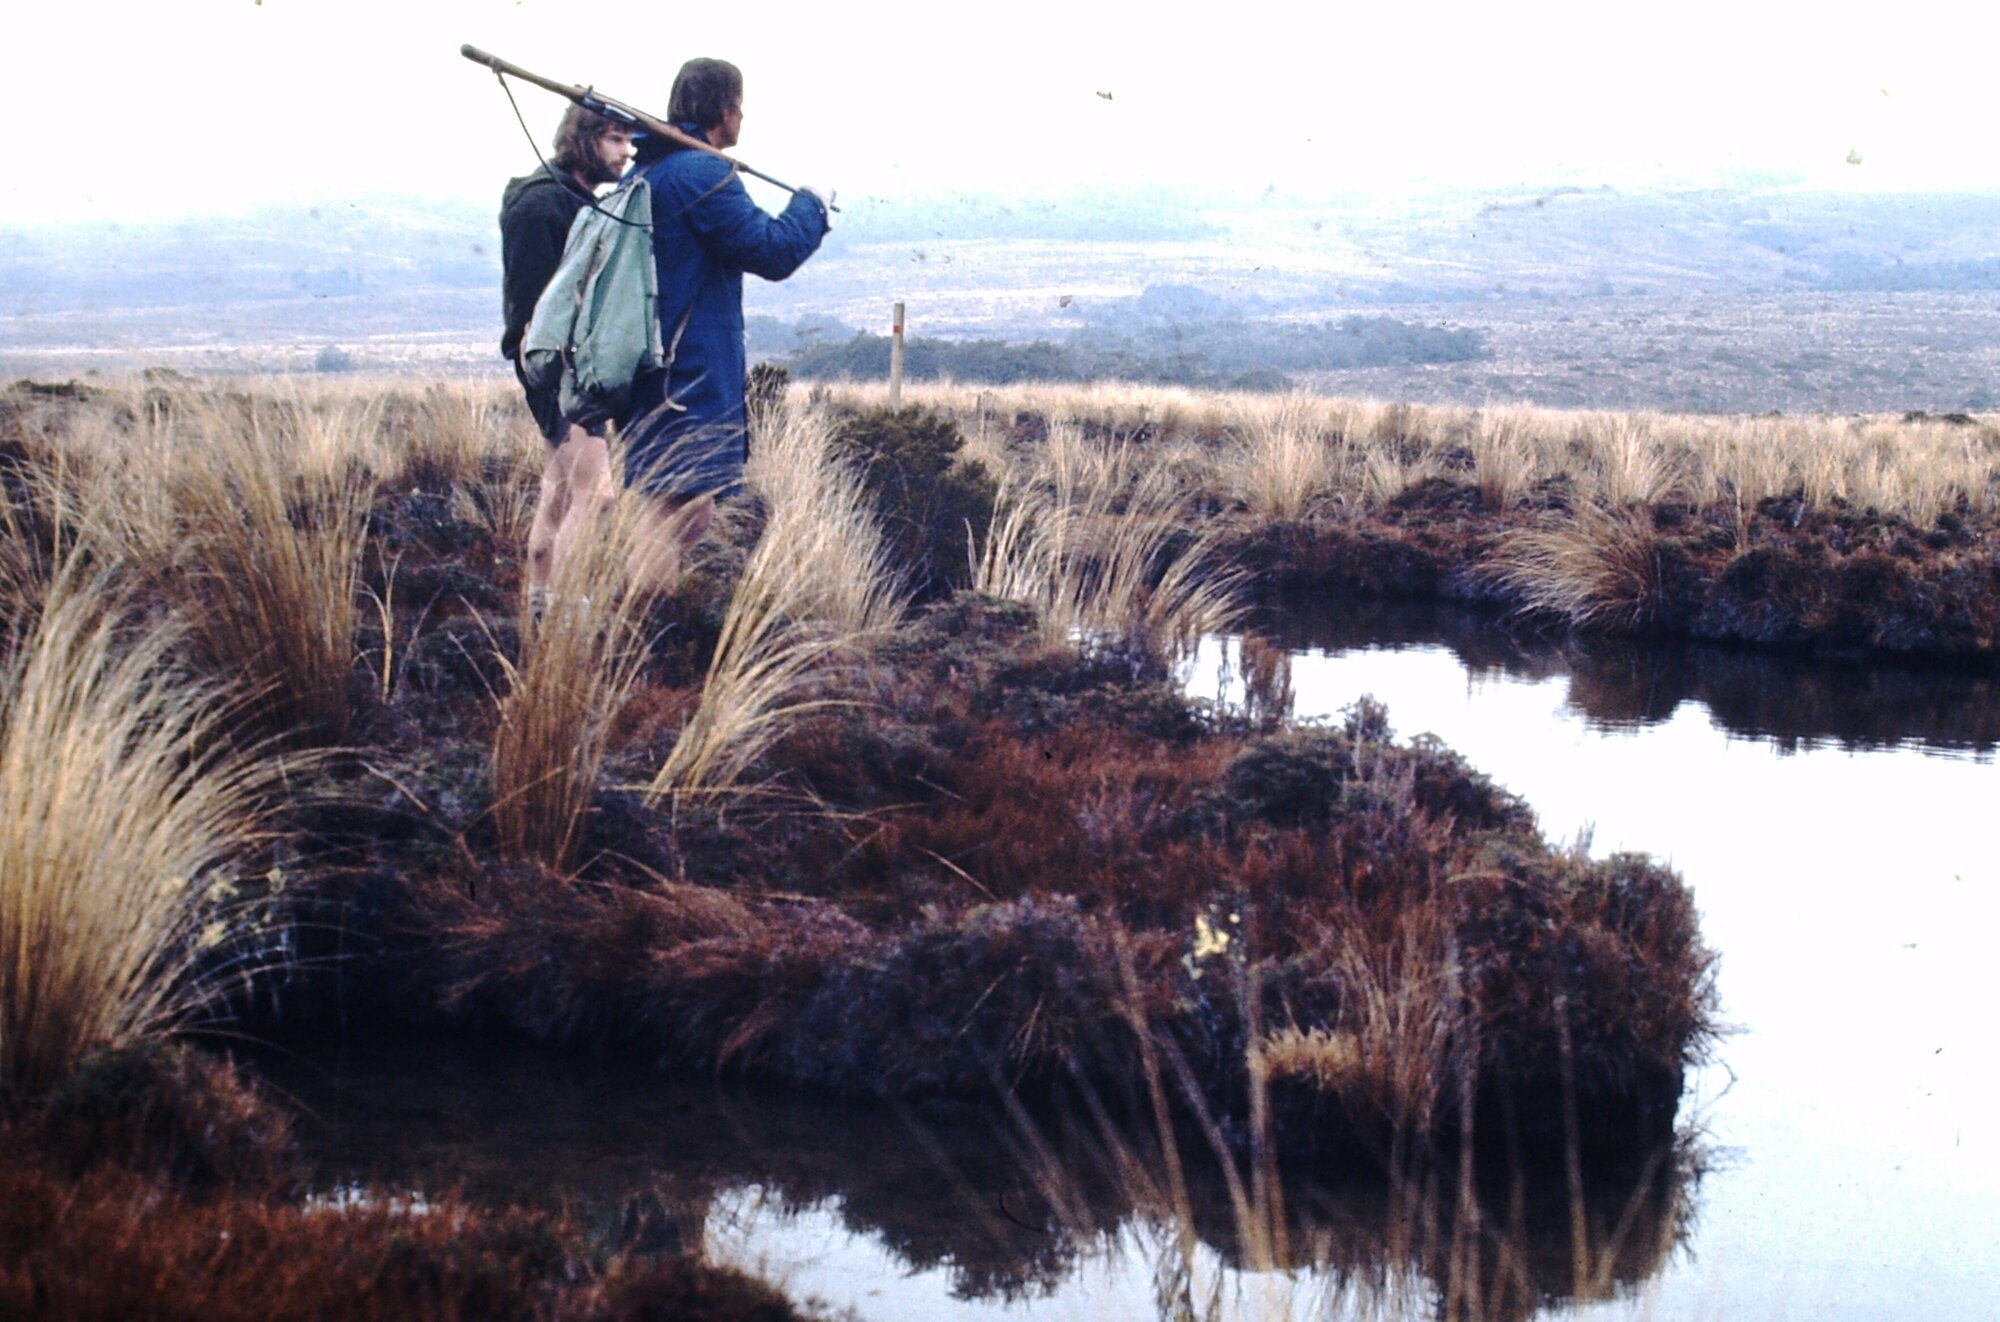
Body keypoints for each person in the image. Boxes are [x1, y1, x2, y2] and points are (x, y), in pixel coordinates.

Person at [619, 57, 832, 592]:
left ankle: (645, 625)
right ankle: (647, 634)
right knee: (670, 509)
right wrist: (813, 207)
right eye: (738, 104)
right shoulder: (700, 173)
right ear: (723, 109)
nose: (742, 115)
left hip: (659, 367)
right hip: (687, 374)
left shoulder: (652, 170)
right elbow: (773, 251)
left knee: (683, 510)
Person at [499, 104, 636, 605]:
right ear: (586, 141)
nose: (626, 153)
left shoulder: (570, 201)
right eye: (616, 140)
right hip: (558, 372)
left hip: (568, 370)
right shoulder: (541, 207)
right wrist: (564, 376)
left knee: (558, 490)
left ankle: (540, 602)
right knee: (595, 496)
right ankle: (566, 614)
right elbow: (536, 315)